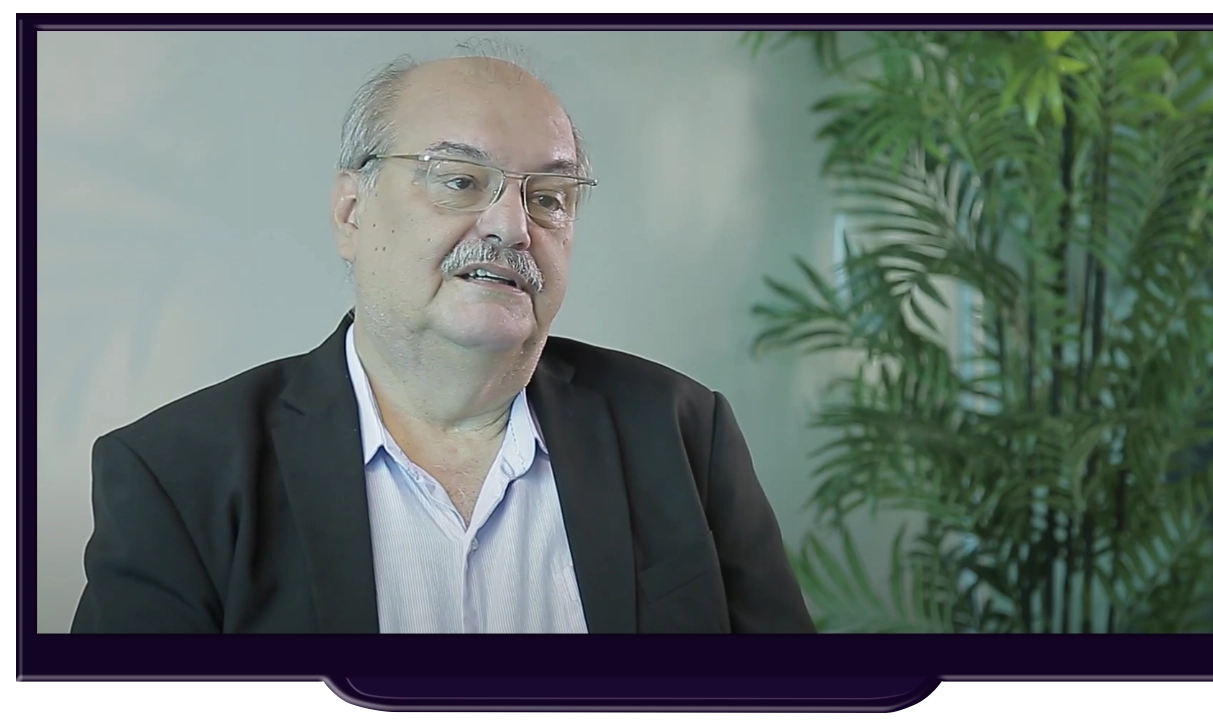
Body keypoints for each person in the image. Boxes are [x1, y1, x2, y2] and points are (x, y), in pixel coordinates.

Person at [70, 46, 815, 634]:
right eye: (459, 180)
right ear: (351, 212)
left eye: (548, 197)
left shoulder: (681, 434)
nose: (512, 227)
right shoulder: (178, 474)